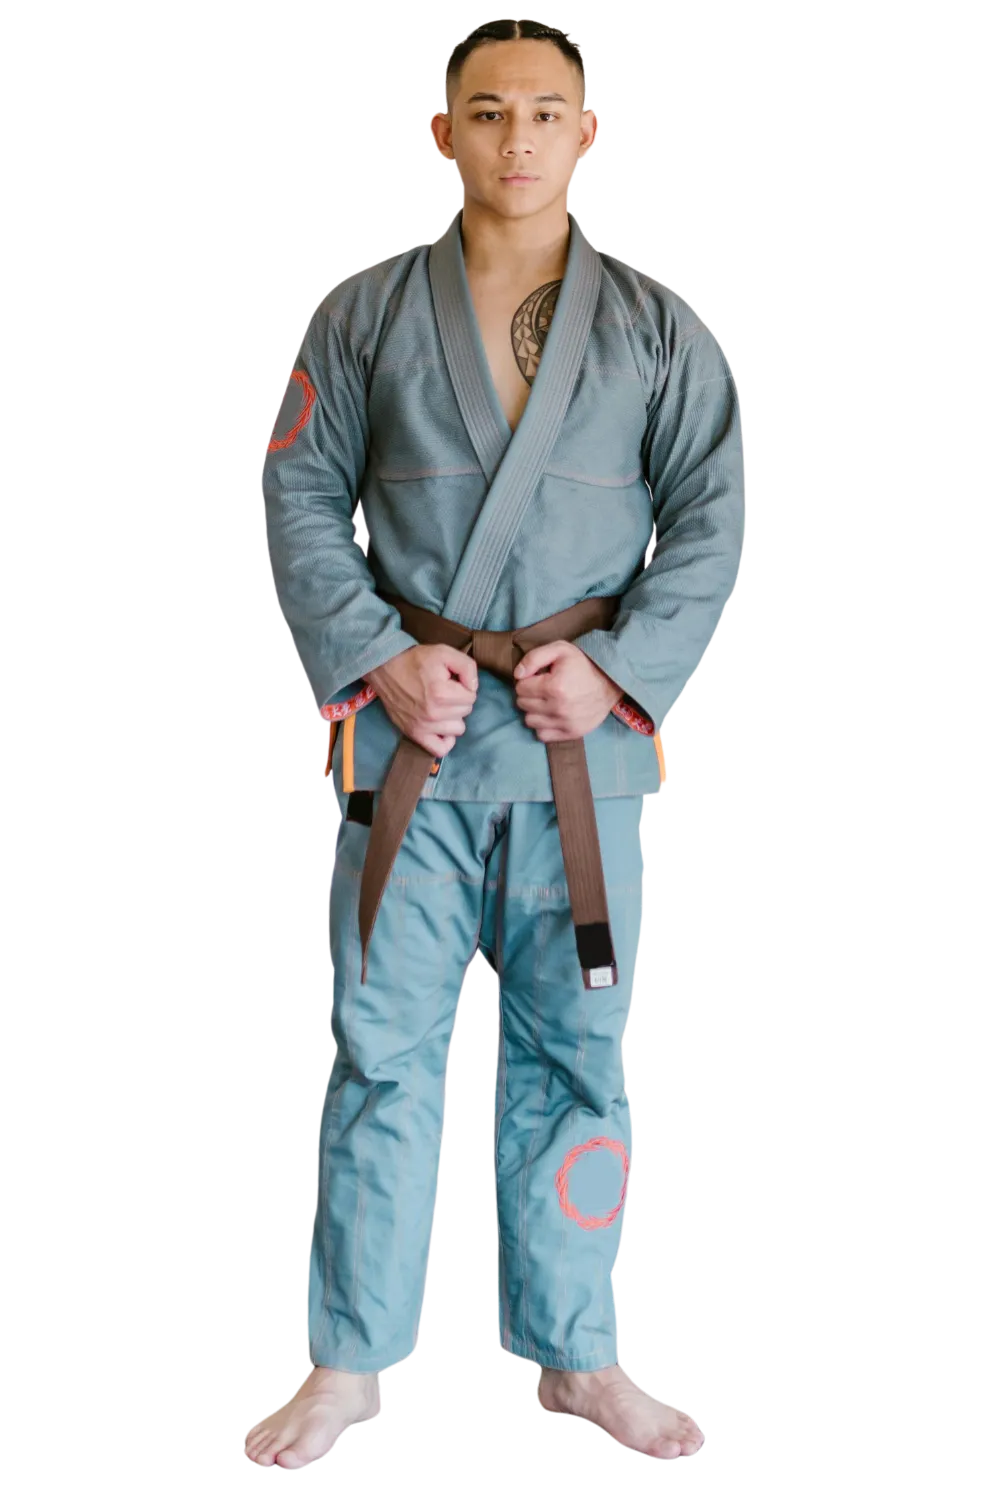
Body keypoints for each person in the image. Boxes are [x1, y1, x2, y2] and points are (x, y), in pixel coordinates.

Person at [247, 16, 739, 1468]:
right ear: (441, 132)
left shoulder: (659, 327)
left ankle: (578, 1353)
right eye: (485, 111)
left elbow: (711, 519)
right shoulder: (358, 315)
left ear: (587, 133)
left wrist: (621, 672)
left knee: (579, 1058)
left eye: (543, 112)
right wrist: (379, 660)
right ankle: (348, 1361)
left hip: (578, 756)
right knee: (380, 1054)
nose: (515, 138)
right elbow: (299, 494)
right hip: (414, 748)